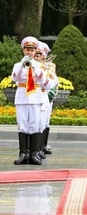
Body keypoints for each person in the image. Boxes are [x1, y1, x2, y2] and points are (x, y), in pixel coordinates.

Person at [11, 36, 50, 165]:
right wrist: (23, 65)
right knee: (22, 125)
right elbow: (14, 78)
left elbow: (46, 83)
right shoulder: (18, 65)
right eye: (27, 49)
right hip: (22, 97)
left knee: (34, 124)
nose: (29, 52)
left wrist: (34, 67)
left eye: (32, 50)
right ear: (23, 50)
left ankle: (33, 153)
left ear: (35, 51)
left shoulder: (40, 66)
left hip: (35, 98)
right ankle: (23, 153)